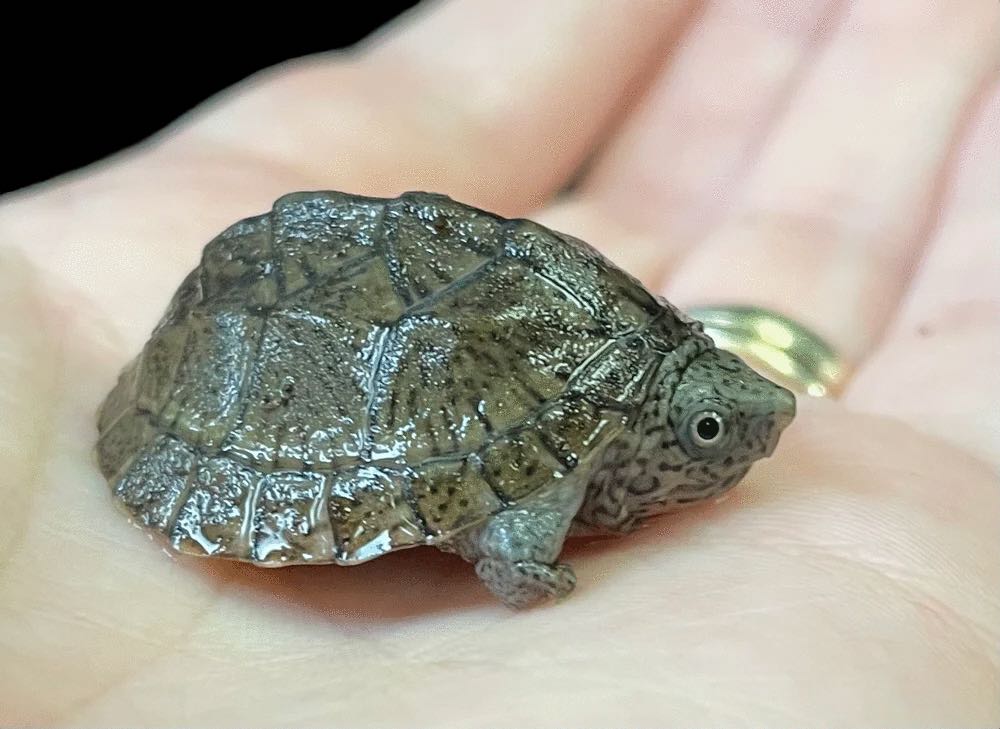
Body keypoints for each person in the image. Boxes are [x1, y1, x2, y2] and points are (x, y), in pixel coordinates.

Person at [1, 1, 997, 725]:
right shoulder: (566, 452)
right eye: (704, 430)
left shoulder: (625, 345)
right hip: (233, 382)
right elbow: (518, 540)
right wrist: (522, 564)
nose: (753, 428)